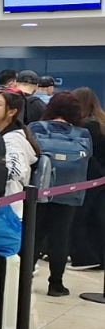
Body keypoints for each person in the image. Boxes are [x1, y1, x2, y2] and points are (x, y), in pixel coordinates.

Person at [30, 91, 93, 297]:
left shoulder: (36, 128)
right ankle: (56, 283)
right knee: (61, 237)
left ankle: (24, 276)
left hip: (39, 190)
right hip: (70, 193)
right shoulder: (82, 133)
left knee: (34, 235)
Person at [68, 86, 105, 271]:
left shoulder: (85, 127)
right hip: (100, 179)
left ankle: (84, 257)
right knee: (98, 218)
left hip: (89, 178)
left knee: (80, 218)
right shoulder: (100, 122)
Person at [0, 90, 39, 217]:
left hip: (8, 210)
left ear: (12, 112)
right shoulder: (3, 135)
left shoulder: (12, 140)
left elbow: (15, 173)